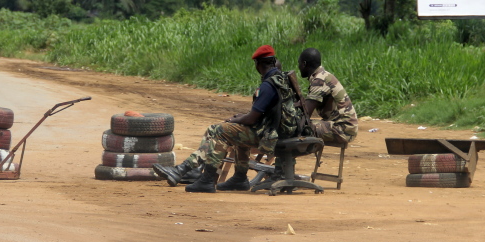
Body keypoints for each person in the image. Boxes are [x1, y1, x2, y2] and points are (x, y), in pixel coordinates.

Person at [152, 45, 303, 193]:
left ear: (258, 64)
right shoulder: (283, 80)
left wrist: (235, 119)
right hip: (282, 131)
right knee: (238, 131)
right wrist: (241, 119)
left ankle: (204, 178)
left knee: (219, 130)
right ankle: (238, 178)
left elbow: (251, 119)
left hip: (270, 136)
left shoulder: (268, 86)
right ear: (273, 61)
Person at [297, 48, 358, 146]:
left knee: (299, 127)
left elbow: (306, 113)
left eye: (299, 63)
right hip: (344, 126)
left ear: (304, 64)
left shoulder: (319, 81)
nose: (298, 67)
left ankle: (287, 159)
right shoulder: (322, 75)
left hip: (343, 129)